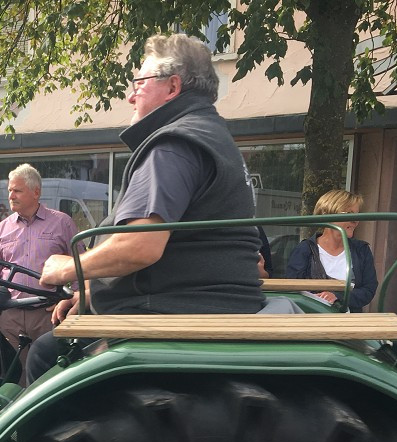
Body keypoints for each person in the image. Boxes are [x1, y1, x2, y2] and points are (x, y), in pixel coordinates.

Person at [31, 33, 264, 381]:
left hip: (177, 307)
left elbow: (140, 246)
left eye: (139, 83)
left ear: (172, 87)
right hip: (208, 298)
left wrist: (66, 268)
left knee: (44, 355)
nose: (131, 95)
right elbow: (186, 250)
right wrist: (95, 292)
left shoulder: (172, 146)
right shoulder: (211, 135)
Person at [0, 164, 77, 373]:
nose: (11, 195)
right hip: (11, 318)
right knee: (12, 378)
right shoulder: (2, 228)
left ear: (36, 192)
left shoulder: (62, 223)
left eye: (17, 190)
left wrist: (74, 299)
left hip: (49, 315)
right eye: (9, 190)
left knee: (50, 377)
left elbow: (80, 266)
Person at [284, 189, 378, 311]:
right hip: (311, 317)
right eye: (349, 213)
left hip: (350, 320)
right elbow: (292, 289)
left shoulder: (361, 250)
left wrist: (337, 297)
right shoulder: (305, 249)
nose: (355, 220)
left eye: (357, 215)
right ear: (327, 214)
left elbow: (369, 290)